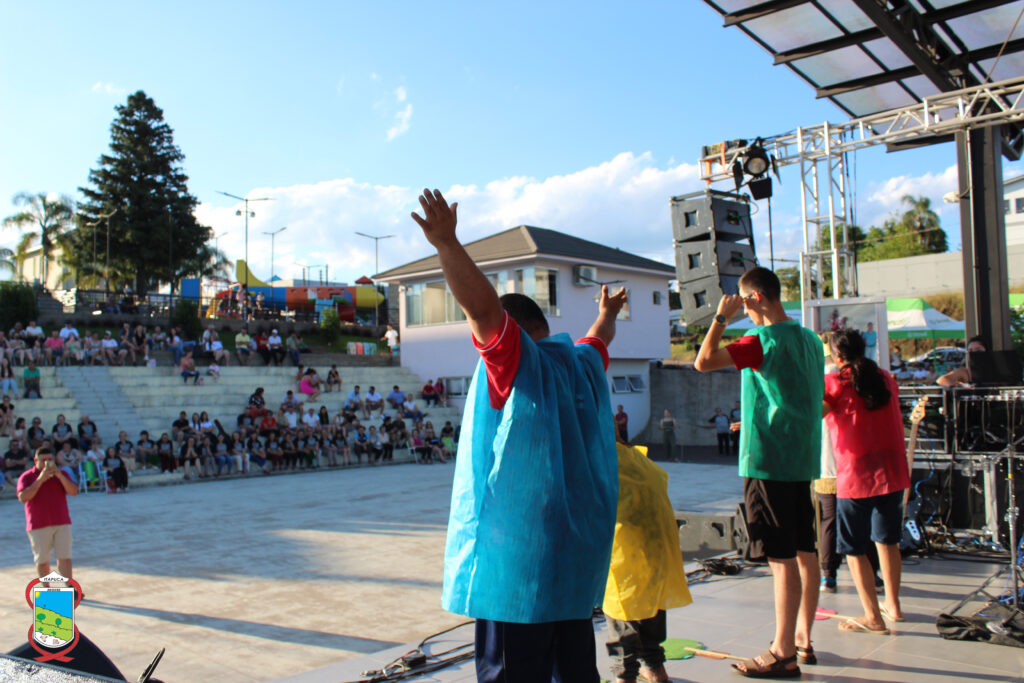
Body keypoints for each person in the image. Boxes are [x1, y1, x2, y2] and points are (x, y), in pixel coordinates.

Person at [412, 188, 621, 682]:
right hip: (573, 565)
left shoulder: (517, 360)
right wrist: (608, 312)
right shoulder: (582, 364)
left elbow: (483, 311)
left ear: (516, 331)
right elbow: (599, 337)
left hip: (519, 569)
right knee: (574, 670)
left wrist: (447, 244)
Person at [694, 266, 823, 677]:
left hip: (768, 461)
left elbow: (703, 361)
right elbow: (790, 393)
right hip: (801, 458)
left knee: (781, 558)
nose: (743, 310)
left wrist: (721, 318)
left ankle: (782, 651)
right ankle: (801, 639)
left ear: (755, 298)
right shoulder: (811, 339)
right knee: (804, 550)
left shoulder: (760, 340)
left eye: (744, 301)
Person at [824, 329, 909, 633]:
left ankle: (872, 616)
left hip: (856, 474)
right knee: (888, 540)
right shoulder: (885, 378)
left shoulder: (835, 382)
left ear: (837, 355)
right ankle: (893, 606)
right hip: (892, 469)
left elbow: (812, 414)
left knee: (853, 547)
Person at [17, 447, 79, 579]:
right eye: (43, 460)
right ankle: (46, 588)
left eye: (50, 459)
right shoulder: (26, 476)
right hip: (38, 524)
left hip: (62, 522)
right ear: (35, 461)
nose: (47, 463)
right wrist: (41, 479)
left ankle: (69, 586)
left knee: (65, 557)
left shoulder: (62, 474)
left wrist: (60, 476)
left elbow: (73, 491)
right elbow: (23, 497)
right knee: (42, 560)